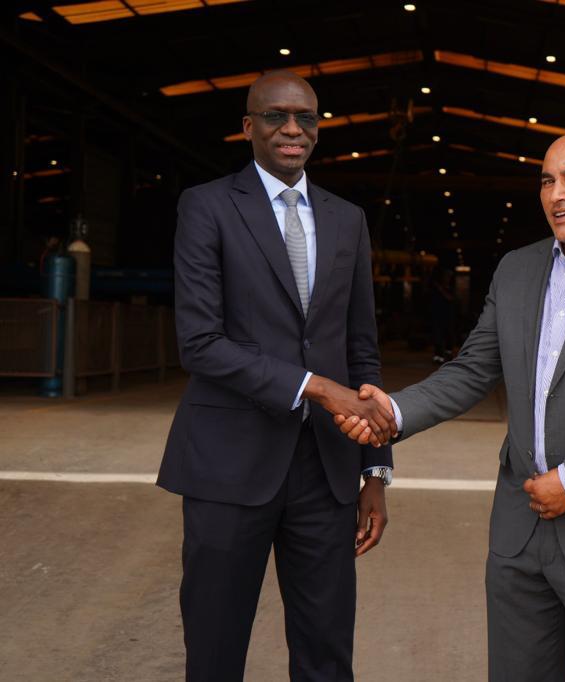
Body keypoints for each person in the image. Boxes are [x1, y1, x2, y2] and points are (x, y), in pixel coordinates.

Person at [340, 132, 565, 681]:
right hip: (520, 530)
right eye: (547, 181)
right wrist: (391, 410)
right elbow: (473, 369)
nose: (557, 194)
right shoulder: (517, 268)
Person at [158, 71, 397, 681]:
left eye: (306, 118)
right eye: (276, 116)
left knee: (326, 653)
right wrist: (315, 386)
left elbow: (361, 351)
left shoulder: (348, 219)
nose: (293, 129)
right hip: (228, 463)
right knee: (215, 649)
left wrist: (375, 470)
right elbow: (201, 343)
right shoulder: (207, 206)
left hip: (326, 469)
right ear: (248, 126)